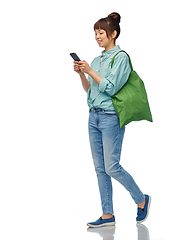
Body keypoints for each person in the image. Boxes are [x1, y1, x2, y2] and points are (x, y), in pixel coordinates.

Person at [73, 12, 151, 228]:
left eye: (101, 32)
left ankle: (141, 199)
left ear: (113, 34)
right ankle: (108, 215)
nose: (97, 36)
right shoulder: (97, 60)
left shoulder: (122, 58)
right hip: (93, 117)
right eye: (95, 33)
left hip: (110, 118)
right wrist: (82, 74)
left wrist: (90, 70)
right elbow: (91, 91)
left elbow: (110, 87)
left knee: (112, 166)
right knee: (100, 168)